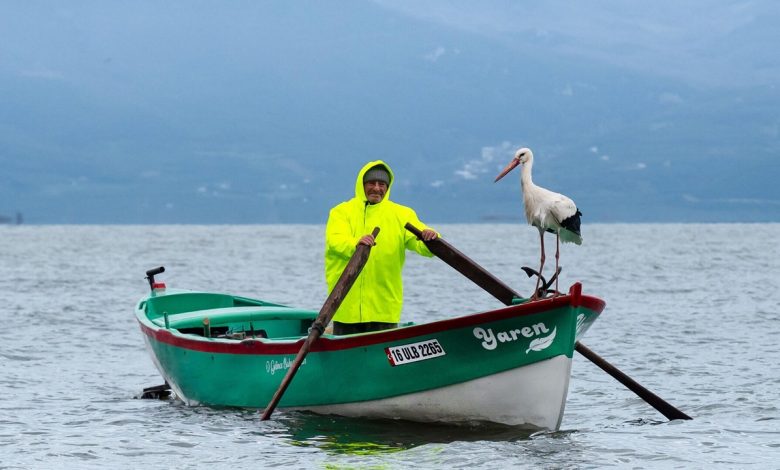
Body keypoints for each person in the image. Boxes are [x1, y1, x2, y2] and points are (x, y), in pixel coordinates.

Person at [325, 160, 438, 335]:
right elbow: (336, 241)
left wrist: (431, 239)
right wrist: (356, 244)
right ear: (361, 185)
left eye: (382, 184)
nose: (376, 188)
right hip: (345, 304)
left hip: (384, 307)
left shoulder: (402, 214)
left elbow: (421, 245)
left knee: (382, 348)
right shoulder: (340, 212)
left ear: (388, 187)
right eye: (371, 183)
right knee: (346, 347)